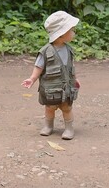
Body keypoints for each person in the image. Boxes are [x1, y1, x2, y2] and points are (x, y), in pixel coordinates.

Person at [22, 11, 81, 140]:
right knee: (49, 108)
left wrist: (75, 80)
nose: (74, 32)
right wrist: (32, 78)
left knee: (67, 108)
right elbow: (39, 66)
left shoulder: (69, 50)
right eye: (71, 30)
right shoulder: (46, 51)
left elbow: (71, 67)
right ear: (61, 34)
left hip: (66, 88)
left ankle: (69, 128)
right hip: (51, 89)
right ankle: (48, 126)